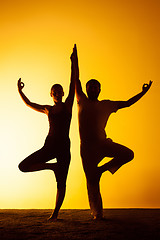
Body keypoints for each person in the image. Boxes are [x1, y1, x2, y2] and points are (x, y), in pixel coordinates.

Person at [74, 45, 153, 220]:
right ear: (87, 90)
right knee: (92, 181)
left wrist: (143, 92)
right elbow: (76, 80)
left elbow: (127, 103)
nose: (93, 89)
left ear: (100, 90)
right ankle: (98, 214)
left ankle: (101, 170)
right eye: (90, 87)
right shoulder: (82, 101)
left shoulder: (107, 104)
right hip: (87, 148)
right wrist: (74, 61)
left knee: (128, 154)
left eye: (96, 87)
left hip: (103, 144)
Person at [17, 45, 77, 221]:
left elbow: (73, 80)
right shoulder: (47, 109)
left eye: (60, 91)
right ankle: (52, 167)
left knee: (62, 182)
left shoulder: (68, 105)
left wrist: (73, 63)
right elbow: (29, 103)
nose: (58, 93)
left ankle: (55, 214)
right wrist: (20, 91)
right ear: (51, 95)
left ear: (63, 93)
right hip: (49, 145)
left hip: (64, 147)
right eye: (55, 92)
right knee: (23, 166)